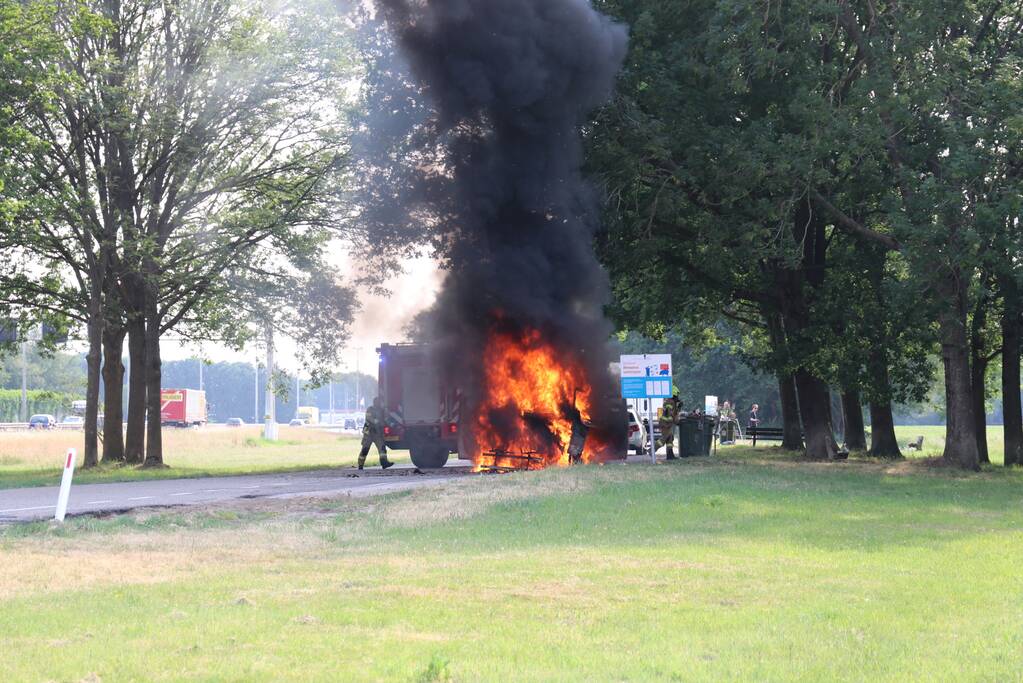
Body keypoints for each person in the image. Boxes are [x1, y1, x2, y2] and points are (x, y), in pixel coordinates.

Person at [357, 397, 394, 470]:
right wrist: (376, 421)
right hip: (369, 433)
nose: (379, 404)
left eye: (380, 402)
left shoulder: (382, 410)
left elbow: (386, 419)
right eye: (378, 402)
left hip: (378, 433)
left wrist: (391, 424)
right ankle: (360, 465)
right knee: (365, 449)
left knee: (382, 449)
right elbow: (369, 418)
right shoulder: (370, 409)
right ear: (374, 402)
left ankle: (384, 463)